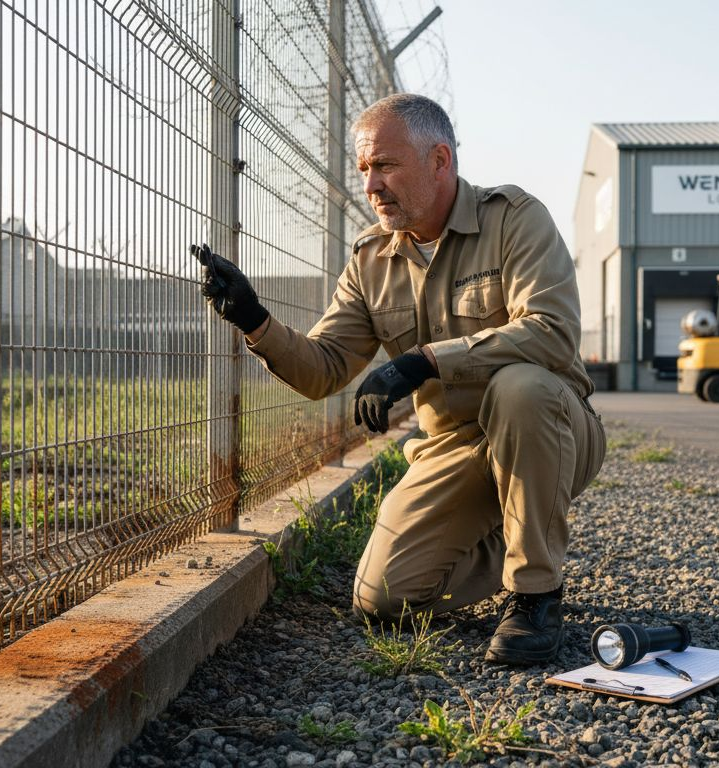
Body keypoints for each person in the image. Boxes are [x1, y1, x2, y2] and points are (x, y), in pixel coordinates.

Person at [193, 93, 605, 666]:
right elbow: (325, 368)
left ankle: (535, 592)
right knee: (384, 597)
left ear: (440, 160)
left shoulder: (514, 219)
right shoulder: (371, 260)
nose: (371, 186)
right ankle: (521, 535)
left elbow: (552, 332)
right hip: (454, 448)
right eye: (364, 170)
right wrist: (254, 320)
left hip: (551, 425)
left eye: (385, 165)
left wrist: (426, 360)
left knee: (521, 389)